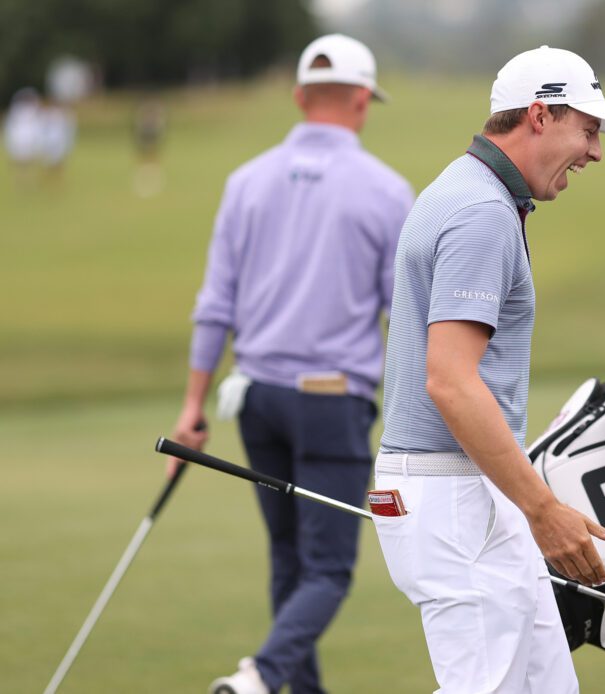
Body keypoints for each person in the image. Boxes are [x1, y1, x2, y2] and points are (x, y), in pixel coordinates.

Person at [371, 46, 605, 693]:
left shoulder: (473, 192)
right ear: (541, 116)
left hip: (469, 490)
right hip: (450, 493)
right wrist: (543, 509)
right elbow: (450, 381)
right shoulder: (481, 212)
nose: (596, 151)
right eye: (589, 129)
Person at [168, 33, 414, 694]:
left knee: (288, 557)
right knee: (328, 569)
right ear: (363, 101)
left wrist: (192, 408)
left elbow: (215, 302)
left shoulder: (244, 181)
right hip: (333, 404)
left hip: (257, 400)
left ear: (301, 97)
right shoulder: (389, 192)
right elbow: (406, 319)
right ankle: (261, 678)